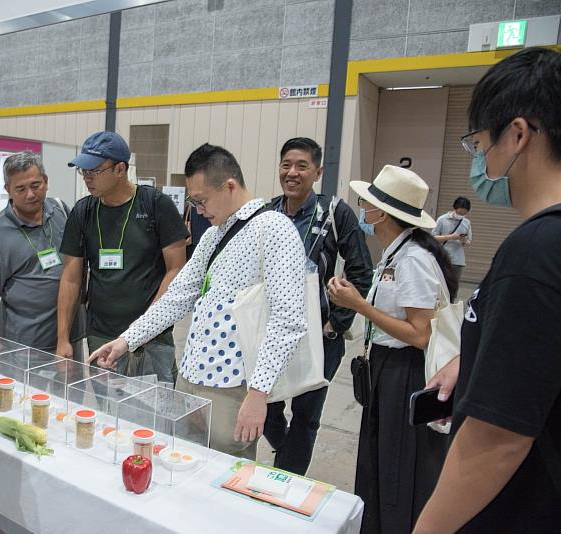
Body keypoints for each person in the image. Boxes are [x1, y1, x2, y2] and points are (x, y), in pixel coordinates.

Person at [415, 47, 561, 534]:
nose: (479, 160)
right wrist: (476, 359)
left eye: (478, 144)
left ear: (517, 135)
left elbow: (496, 441)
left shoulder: (535, 250)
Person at [90, 143, 307, 458]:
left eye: (201, 200)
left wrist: (259, 392)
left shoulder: (274, 229)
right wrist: (126, 340)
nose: (199, 210)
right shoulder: (214, 235)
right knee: (184, 466)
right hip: (191, 380)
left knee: (226, 477)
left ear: (229, 186)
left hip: (233, 386)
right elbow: (176, 297)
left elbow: (287, 320)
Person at [327, 165, 455, 533]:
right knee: (381, 462)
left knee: (398, 466)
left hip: (406, 371)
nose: (362, 209)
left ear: (381, 213)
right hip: (387, 367)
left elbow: (420, 334)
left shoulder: (414, 260)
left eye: (366, 203)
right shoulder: (397, 254)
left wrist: (360, 306)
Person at [264, 137, 374, 474]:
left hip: (320, 336)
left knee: (306, 414)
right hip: (272, 332)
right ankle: (284, 449)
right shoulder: (268, 212)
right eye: (286, 165)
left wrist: (335, 324)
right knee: (265, 406)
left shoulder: (335, 212)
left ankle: (287, 479)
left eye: (301, 166)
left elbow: (360, 270)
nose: (292, 173)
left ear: (318, 171)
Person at [57, 131, 187, 383]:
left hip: (152, 338)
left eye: (93, 171)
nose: (87, 178)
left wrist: (146, 326)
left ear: (120, 169)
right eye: (83, 172)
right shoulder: (82, 212)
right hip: (101, 335)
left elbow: (176, 270)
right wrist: (62, 338)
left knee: (155, 413)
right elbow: (71, 278)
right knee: (108, 412)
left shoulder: (155, 205)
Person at [0, 151, 85, 358]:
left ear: (46, 181)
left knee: (69, 391)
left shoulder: (61, 211)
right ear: (8, 190)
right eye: (20, 189)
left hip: (70, 337)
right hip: (24, 347)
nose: (30, 195)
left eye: (35, 185)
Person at [432, 196, 472, 283]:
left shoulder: (467, 223)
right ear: (454, 208)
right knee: (440, 285)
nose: (461, 215)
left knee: (453, 287)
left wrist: (464, 240)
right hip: (442, 258)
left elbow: (469, 242)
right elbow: (433, 237)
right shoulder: (442, 219)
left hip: (458, 261)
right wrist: (450, 237)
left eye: (464, 214)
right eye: (459, 213)